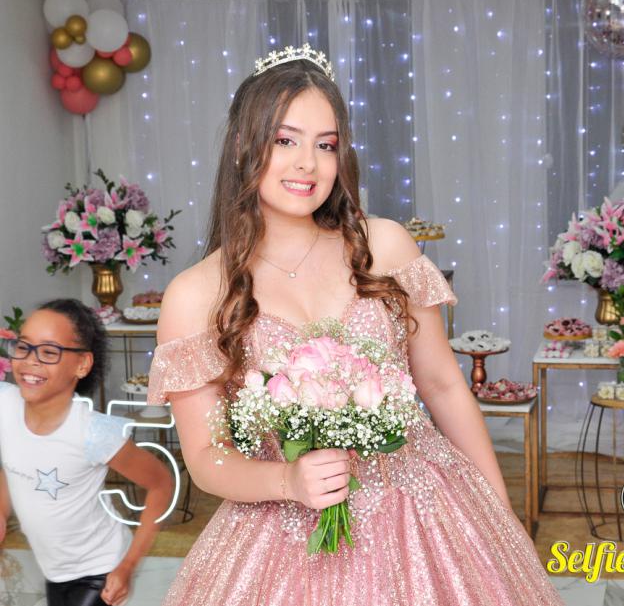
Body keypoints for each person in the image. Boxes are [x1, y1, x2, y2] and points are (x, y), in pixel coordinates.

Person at [147, 46, 564, 605]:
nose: (307, 164)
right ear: (245, 144)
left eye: (326, 145)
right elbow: (205, 456)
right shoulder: (196, 294)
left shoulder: (384, 245)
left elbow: (443, 386)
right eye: (286, 140)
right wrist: (287, 481)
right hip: (283, 530)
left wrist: (500, 513)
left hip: (423, 506)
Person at [0, 298, 174, 606]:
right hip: (54, 571)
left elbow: (162, 483)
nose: (30, 361)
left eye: (49, 352)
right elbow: (11, 466)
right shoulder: (4, 405)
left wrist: (127, 566)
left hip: (100, 568)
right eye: (24, 346)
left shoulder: (93, 432)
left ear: (82, 364)